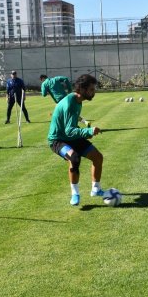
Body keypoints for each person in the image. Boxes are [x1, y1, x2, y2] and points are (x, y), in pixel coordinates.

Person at [47, 74, 104, 206]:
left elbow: (71, 127)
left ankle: (96, 189)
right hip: (57, 140)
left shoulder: (77, 101)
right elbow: (69, 130)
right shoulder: (70, 103)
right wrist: (88, 131)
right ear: (82, 89)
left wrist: (85, 133)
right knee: (74, 158)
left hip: (71, 137)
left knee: (97, 157)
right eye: (91, 90)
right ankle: (75, 194)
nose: (93, 92)